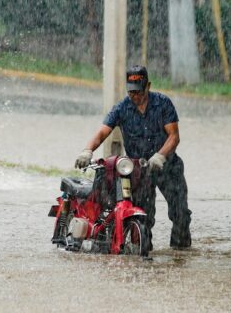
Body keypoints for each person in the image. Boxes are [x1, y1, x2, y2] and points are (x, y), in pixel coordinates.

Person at [75, 65, 191, 250]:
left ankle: (180, 256)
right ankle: (143, 256)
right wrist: (87, 151)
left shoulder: (163, 104)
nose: (135, 96)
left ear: (148, 86)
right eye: (131, 92)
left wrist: (160, 156)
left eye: (139, 91)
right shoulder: (122, 109)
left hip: (167, 166)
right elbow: (102, 133)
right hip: (139, 170)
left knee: (180, 215)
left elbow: (174, 136)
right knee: (143, 217)